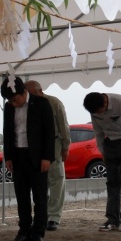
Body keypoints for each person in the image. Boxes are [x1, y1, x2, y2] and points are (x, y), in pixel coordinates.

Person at [1, 77, 55, 241]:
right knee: (21, 196)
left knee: (39, 197)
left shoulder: (41, 103)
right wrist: (8, 156)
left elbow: (49, 132)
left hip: (38, 156)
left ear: (24, 92)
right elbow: (7, 132)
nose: (14, 104)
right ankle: (23, 232)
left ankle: (38, 234)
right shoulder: (9, 108)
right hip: (17, 155)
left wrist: (47, 157)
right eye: (10, 101)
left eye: (16, 100)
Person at [82, 91, 121, 232]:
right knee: (112, 182)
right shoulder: (94, 110)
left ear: (105, 102)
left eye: (100, 111)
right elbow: (98, 132)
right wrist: (103, 151)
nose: (100, 115)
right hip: (110, 144)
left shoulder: (120, 103)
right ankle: (112, 219)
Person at [25, 80, 70, 231]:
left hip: (55, 144)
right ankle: (42, 215)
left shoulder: (54, 103)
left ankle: (54, 217)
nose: (30, 97)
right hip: (35, 147)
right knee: (39, 183)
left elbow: (63, 125)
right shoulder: (26, 104)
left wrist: (65, 146)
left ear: (40, 91)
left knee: (56, 181)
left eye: (32, 94)